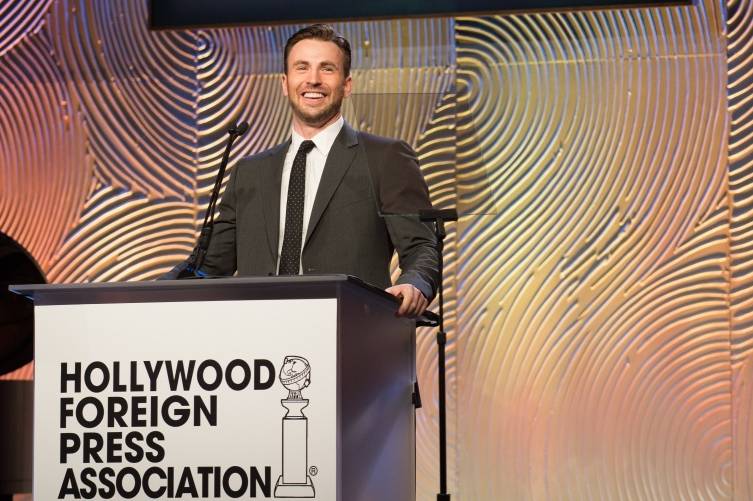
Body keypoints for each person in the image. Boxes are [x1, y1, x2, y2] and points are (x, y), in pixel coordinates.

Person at [192, 24, 439, 317]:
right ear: (285, 83)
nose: (313, 79)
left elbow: (422, 246)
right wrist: (153, 292)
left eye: (327, 69)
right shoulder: (249, 172)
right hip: (259, 333)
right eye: (302, 68)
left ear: (347, 84)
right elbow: (209, 266)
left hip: (350, 327)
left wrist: (414, 284)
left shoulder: (385, 157)